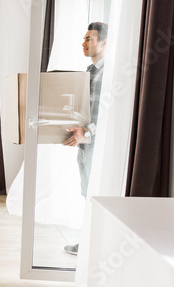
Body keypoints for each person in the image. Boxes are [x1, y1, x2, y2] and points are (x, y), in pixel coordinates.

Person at [62, 22, 108, 255]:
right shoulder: (89, 71)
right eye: (84, 38)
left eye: (89, 38)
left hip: (97, 145)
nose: (84, 42)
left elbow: (107, 111)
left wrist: (86, 131)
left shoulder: (107, 73)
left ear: (104, 42)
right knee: (87, 193)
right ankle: (90, 243)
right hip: (86, 144)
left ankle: (94, 246)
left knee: (96, 194)